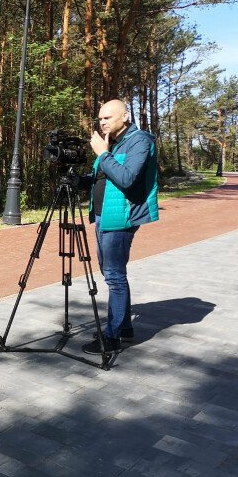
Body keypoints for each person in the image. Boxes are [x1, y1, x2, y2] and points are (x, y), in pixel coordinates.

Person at [79, 99, 159, 355]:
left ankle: (111, 337)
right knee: (112, 273)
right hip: (103, 215)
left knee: (114, 276)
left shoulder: (140, 140)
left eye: (107, 118)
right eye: (100, 118)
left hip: (121, 216)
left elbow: (126, 178)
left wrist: (103, 153)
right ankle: (124, 328)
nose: (102, 122)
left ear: (124, 116)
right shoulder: (113, 141)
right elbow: (102, 177)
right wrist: (79, 180)